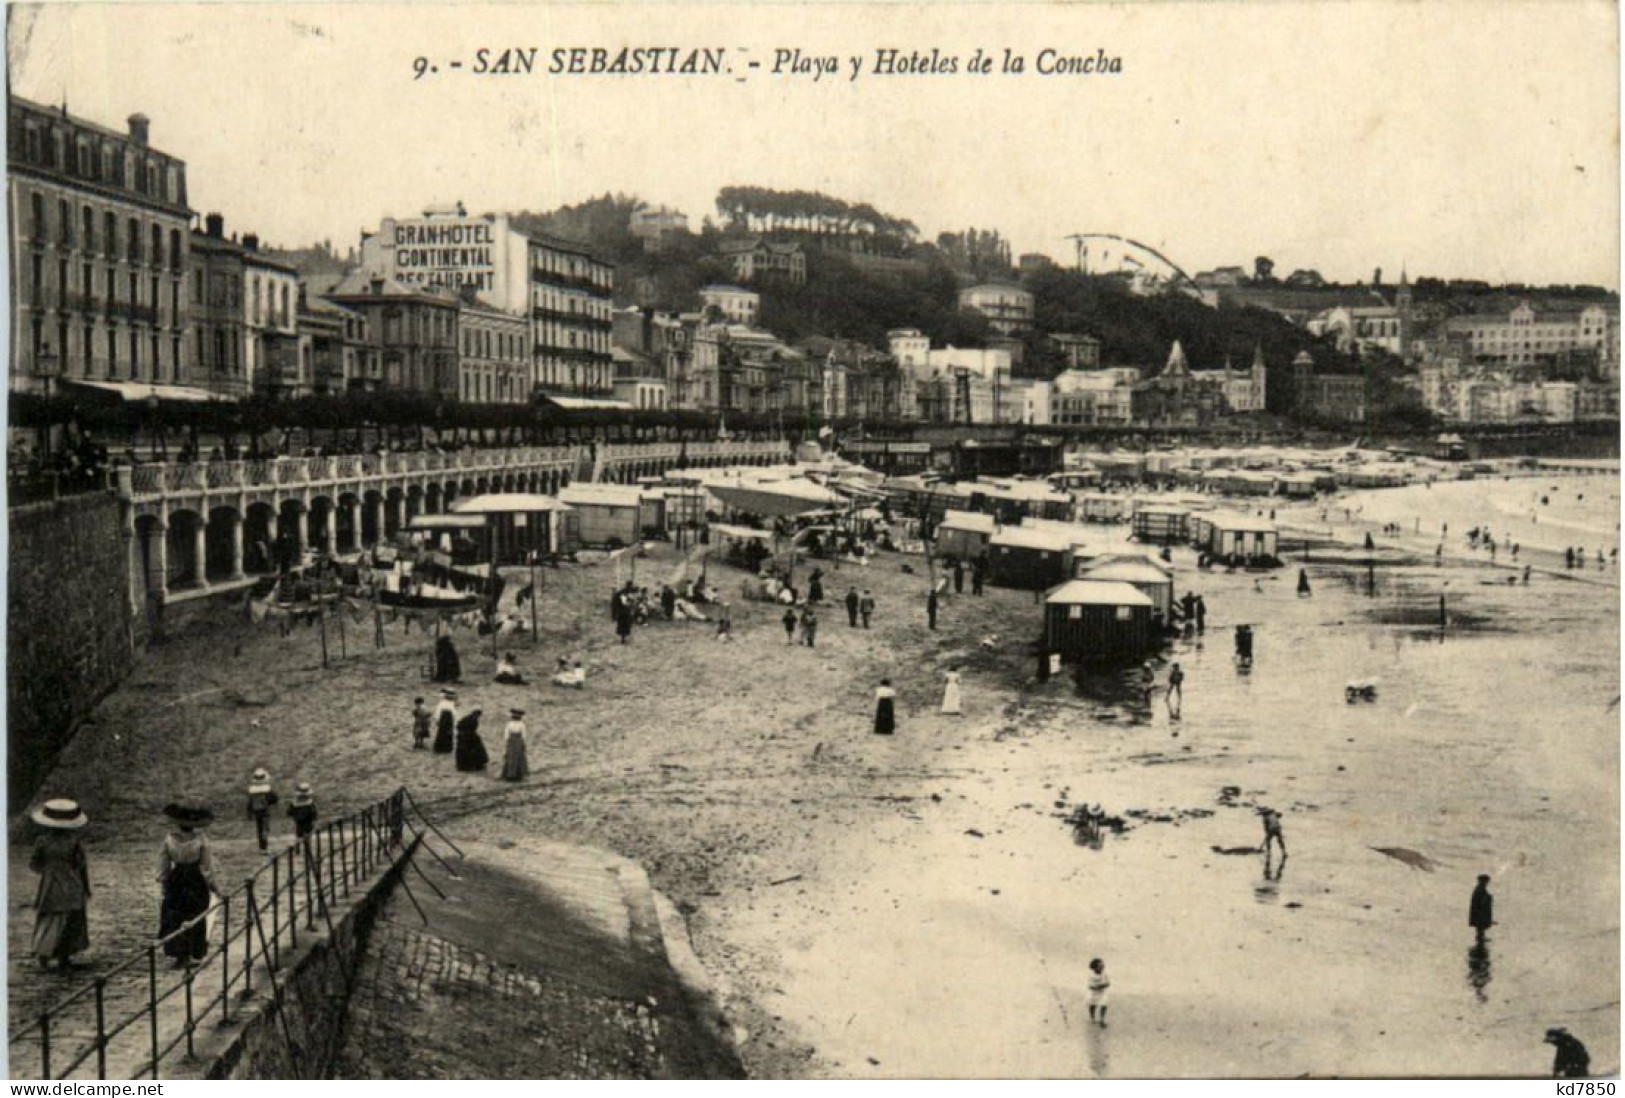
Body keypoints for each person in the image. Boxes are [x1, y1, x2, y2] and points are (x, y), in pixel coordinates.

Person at [29, 799, 91, 971]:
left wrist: (49, 870)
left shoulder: (42, 841)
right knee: (70, 920)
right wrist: (86, 887)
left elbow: (34, 864)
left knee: (50, 919)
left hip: (50, 886)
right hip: (72, 885)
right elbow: (81, 866)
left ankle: (43, 954)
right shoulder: (74, 842)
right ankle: (64, 957)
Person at [158, 804, 219, 968]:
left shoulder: (169, 839)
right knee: (195, 914)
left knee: (175, 915)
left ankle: (179, 954)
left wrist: (164, 883)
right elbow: (206, 866)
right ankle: (193, 952)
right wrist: (213, 885)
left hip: (176, 878)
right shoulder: (201, 840)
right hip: (194, 879)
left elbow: (163, 864)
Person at [246, 768, 278, 853]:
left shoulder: (252, 790)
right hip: (265, 811)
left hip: (257, 811)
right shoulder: (267, 789)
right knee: (265, 829)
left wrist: (249, 813)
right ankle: (265, 847)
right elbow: (274, 799)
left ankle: (261, 847)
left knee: (259, 829)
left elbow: (250, 803)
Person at [455, 707, 489, 772]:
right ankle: (476, 764)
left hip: (462, 737)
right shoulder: (474, 720)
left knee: (463, 751)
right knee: (475, 749)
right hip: (469, 737)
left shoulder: (466, 718)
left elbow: (458, 725)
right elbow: (473, 729)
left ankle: (463, 766)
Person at [500, 708, 530, 782]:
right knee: (518, 757)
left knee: (511, 757)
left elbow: (506, 735)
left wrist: (507, 741)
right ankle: (518, 775)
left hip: (512, 741)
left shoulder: (510, 724)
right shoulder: (521, 724)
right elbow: (524, 735)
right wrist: (523, 743)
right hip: (518, 742)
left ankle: (510, 774)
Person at [1469, 874, 1494, 943]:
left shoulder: (1479, 888)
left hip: (1479, 910)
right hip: (1480, 910)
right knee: (1480, 924)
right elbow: (1482, 900)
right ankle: (1480, 937)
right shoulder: (1480, 889)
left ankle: (1481, 936)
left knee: (1480, 925)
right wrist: (1489, 897)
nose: (1487, 883)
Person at [432, 689, 457, 754]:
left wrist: (454, 720)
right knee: (442, 733)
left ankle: (447, 748)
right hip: (443, 720)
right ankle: (440, 748)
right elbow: (438, 711)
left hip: (449, 720)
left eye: (452, 695)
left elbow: (454, 713)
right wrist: (437, 719)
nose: (451, 697)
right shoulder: (442, 703)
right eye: (449, 695)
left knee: (449, 733)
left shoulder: (452, 703)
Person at [1087, 958, 1111, 1026]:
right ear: (1094, 968)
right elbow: (1090, 986)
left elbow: (1108, 983)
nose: (1102, 967)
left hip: (1102, 992)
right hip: (1093, 993)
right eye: (1100, 966)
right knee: (1093, 1005)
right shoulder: (1091, 975)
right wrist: (1098, 986)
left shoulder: (1105, 974)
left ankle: (1102, 1019)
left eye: (1102, 965)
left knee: (1104, 1005)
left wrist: (1103, 985)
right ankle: (1092, 1017)